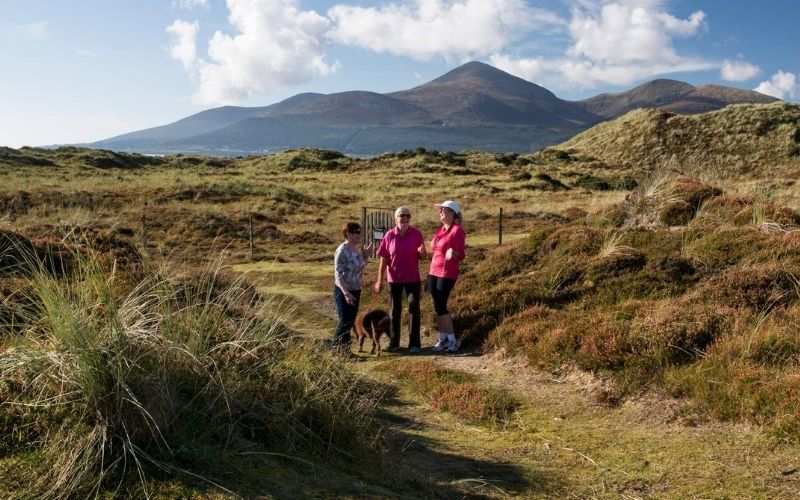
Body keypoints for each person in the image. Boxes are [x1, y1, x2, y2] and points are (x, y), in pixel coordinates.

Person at [373, 206, 426, 354]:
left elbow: (423, 256)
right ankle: (394, 343)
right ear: (395, 218)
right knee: (394, 311)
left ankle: (414, 344)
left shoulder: (417, 234)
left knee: (414, 308)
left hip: (413, 279)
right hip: (394, 279)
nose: (405, 218)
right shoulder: (389, 235)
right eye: (402, 216)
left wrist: (422, 253)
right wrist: (379, 281)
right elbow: (383, 261)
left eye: (408, 216)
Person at [428, 200, 466, 353]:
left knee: (442, 305)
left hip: (447, 272)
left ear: (452, 213)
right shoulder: (441, 230)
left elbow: (461, 255)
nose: (440, 212)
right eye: (440, 210)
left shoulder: (457, 230)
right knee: (437, 305)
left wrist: (453, 253)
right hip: (433, 271)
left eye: (443, 210)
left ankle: (452, 340)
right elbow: (436, 248)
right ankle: (442, 338)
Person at [332, 222, 372, 353]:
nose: (360, 235)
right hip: (344, 291)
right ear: (348, 234)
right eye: (357, 232)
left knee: (349, 321)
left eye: (361, 232)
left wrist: (366, 255)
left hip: (356, 289)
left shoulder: (356, 249)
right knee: (344, 321)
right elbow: (338, 276)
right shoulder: (342, 250)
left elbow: (360, 268)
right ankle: (336, 350)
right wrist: (346, 293)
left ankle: (345, 351)